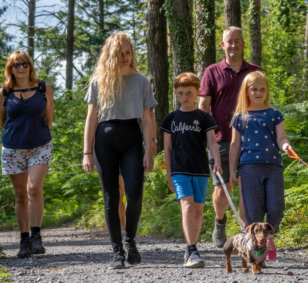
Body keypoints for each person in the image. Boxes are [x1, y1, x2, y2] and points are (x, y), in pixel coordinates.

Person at [82, 32, 157, 269]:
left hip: (132, 139)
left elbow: (147, 119)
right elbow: (91, 118)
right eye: (120, 53)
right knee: (111, 198)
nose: (125, 57)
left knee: (135, 194)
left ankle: (130, 240)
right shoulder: (99, 81)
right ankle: (117, 253)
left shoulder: (141, 81)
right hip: (105, 142)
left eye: (128, 52)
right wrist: (86, 152)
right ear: (111, 55)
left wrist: (149, 148)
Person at [199, 26, 263, 248]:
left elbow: (263, 102)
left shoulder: (255, 71)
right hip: (221, 140)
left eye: (238, 41)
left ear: (243, 44)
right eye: (230, 41)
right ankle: (220, 220)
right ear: (223, 45)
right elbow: (203, 105)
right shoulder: (212, 71)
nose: (234, 45)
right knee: (222, 193)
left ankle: (248, 238)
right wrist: (205, 135)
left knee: (248, 191)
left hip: (250, 141)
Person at [229, 71, 293, 261]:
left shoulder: (275, 114)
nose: (258, 92)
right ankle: (256, 249)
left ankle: (270, 236)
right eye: (254, 89)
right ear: (246, 91)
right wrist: (232, 170)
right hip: (248, 167)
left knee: (276, 206)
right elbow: (234, 145)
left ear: (267, 91)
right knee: (254, 211)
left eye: (262, 89)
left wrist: (286, 146)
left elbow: (281, 138)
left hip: (273, 166)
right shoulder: (240, 116)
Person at [0, 51, 54, 258]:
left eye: (25, 64)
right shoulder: (4, 91)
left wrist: (35, 135)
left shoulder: (43, 88)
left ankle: (36, 237)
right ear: (10, 69)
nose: (21, 68)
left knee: (34, 188)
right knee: (21, 195)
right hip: (13, 148)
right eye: (16, 65)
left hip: (40, 145)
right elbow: (4, 123)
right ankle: (24, 240)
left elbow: (48, 119)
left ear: (30, 66)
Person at [161, 72, 222, 268]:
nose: (184, 96)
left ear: (197, 93)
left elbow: (212, 142)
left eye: (189, 92)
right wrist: (169, 174)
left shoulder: (204, 117)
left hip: (201, 170)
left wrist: (217, 162)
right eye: (180, 93)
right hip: (179, 170)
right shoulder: (171, 118)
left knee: (198, 212)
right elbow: (168, 148)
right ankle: (192, 249)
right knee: (186, 207)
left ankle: (191, 249)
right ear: (176, 94)